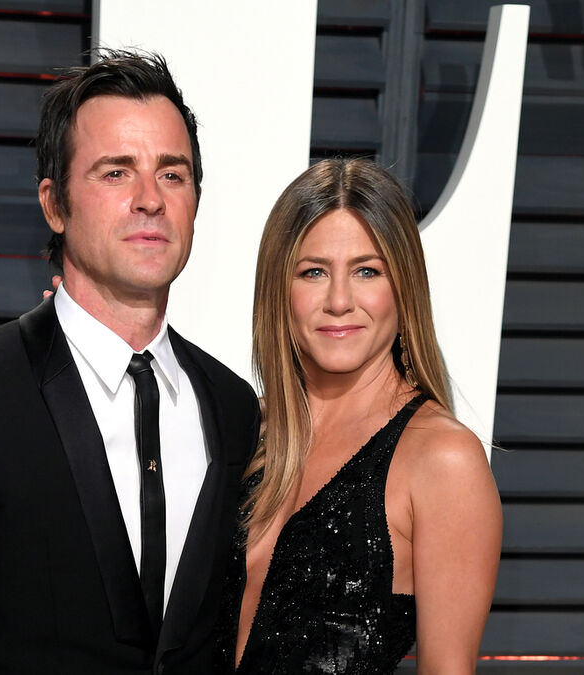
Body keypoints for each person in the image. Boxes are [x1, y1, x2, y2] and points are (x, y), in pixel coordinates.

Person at [0, 50, 260, 674]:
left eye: (172, 174)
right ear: (54, 204)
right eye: (116, 172)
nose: (149, 199)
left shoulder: (234, 408)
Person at [215, 158, 502, 674]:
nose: (339, 301)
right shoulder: (242, 432)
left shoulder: (442, 460)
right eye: (314, 272)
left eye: (367, 271)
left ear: (404, 286)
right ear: (279, 288)